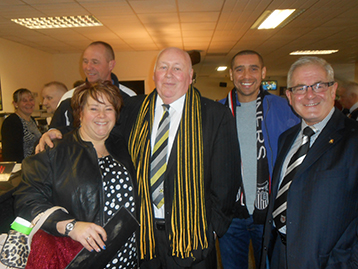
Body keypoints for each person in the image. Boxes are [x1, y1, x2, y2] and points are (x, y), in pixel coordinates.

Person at [113, 47, 241, 268]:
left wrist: (212, 230)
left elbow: (227, 181)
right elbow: (102, 138)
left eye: (177, 68)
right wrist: (58, 135)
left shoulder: (214, 115)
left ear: (191, 76)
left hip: (193, 239)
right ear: (154, 75)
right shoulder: (132, 109)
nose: (169, 74)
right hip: (144, 238)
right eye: (163, 67)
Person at [14, 81, 138, 268]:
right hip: (79, 257)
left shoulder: (123, 146)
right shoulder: (54, 151)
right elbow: (26, 201)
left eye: (109, 109)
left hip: (127, 254)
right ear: (80, 113)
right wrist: (70, 226)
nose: (102, 115)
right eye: (94, 108)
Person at [260, 56, 358, 268]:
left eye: (319, 85)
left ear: (334, 90)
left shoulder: (353, 139)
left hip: (326, 261)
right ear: (289, 95)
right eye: (300, 88)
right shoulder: (286, 138)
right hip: (279, 253)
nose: (310, 95)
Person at [218, 50, 299, 269]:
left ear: (263, 72)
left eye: (253, 68)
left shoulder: (286, 109)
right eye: (239, 69)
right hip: (231, 216)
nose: (246, 75)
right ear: (231, 74)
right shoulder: (217, 112)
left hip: (272, 214)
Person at [48, 41, 136, 135]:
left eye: (95, 62)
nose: (88, 67)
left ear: (111, 65)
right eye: (85, 61)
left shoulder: (130, 98)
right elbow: (54, 135)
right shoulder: (69, 97)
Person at [1, 88, 41, 163]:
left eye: (31, 100)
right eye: (24, 101)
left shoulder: (32, 120)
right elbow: (9, 154)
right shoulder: (11, 122)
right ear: (15, 104)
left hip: (34, 165)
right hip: (22, 167)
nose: (29, 103)